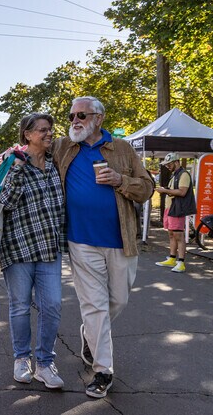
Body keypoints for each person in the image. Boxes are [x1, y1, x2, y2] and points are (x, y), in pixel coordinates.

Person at [52, 96, 154, 398]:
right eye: (71, 115)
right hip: (80, 241)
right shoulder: (63, 146)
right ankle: (102, 370)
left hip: (120, 240)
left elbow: (147, 188)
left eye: (81, 115)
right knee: (94, 306)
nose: (74, 121)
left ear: (99, 118)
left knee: (118, 300)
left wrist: (120, 179)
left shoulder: (122, 148)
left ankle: (90, 333)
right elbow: (33, 146)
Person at [0, 113, 67, 389]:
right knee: (20, 307)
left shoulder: (56, 164)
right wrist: (16, 169)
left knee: (52, 306)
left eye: (50, 130)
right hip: (18, 248)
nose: (49, 134)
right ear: (27, 135)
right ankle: (21, 359)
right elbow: (6, 202)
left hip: (50, 247)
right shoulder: (13, 163)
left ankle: (45, 363)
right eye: (42, 130)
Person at [155, 153, 196, 273]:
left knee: (179, 235)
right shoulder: (175, 175)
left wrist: (165, 190)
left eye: (169, 164)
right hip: (171, 208)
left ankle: (181, 262)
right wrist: (166, 190)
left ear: (176, 162)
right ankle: (172, 258)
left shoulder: (183, 174)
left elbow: (182, 192)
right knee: (171, 234)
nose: (167, 166)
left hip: (177, 208)